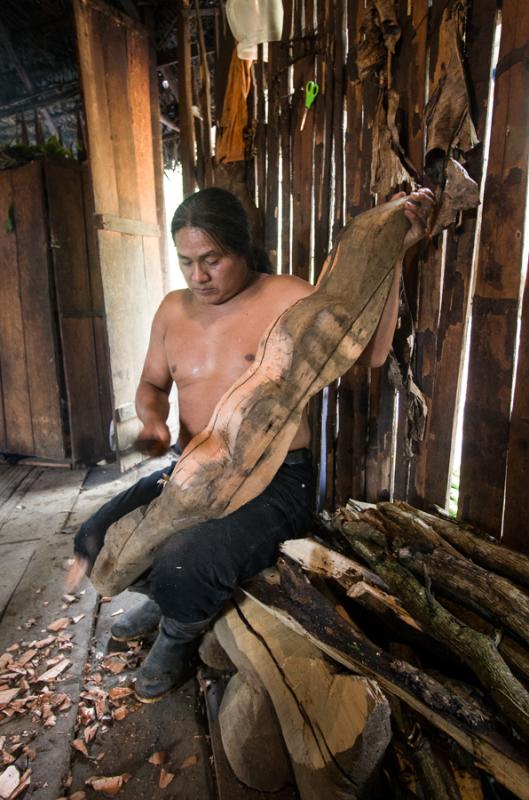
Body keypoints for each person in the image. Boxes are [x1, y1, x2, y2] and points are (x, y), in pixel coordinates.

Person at [73, 185, 433, 702]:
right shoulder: (174, 310)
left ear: (241, 249)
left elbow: (372, 352)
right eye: (186, 262)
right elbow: (152, 385)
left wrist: (395, 255)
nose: (198, 276)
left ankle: (178, 632)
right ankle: (170, 600)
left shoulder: (287, 296)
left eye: (212, 260)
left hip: (275, 478)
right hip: (194, 472)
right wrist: (153, 423)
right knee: (94, 539)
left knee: (184, 560)